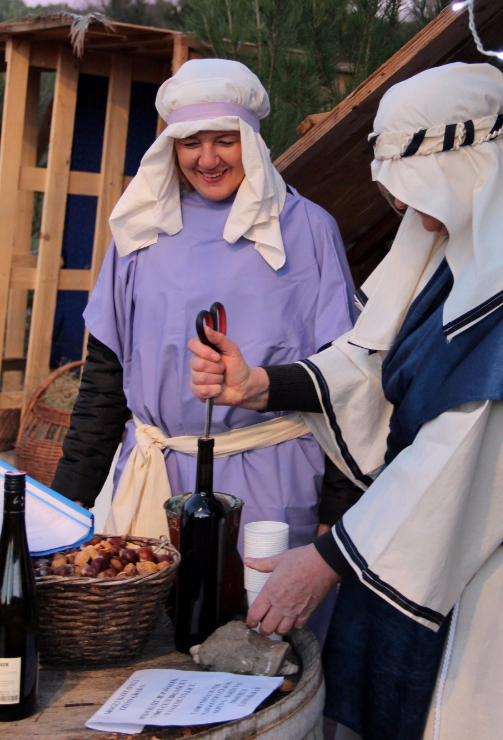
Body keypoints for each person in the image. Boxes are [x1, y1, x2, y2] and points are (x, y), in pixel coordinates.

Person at [189, 62, 503, 740]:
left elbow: (467, 451)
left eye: (413, 189)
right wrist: (261, 385)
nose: (404, 210)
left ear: (467, 168)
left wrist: (327, 560)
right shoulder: (456, 233)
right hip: (428, 529)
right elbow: (371, 357)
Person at [51, 58, 360, 573]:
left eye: (225, 140)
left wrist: (337, 513)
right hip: (158, 481)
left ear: (252, 142)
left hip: (276, 488)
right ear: (171, 147)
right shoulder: (139, 231)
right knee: (151, 619)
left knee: (264, 619)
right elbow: (104, 381)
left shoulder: (309, 230)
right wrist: (67, 504)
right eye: (191, 142)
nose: (208, 159)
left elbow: (345, 384)